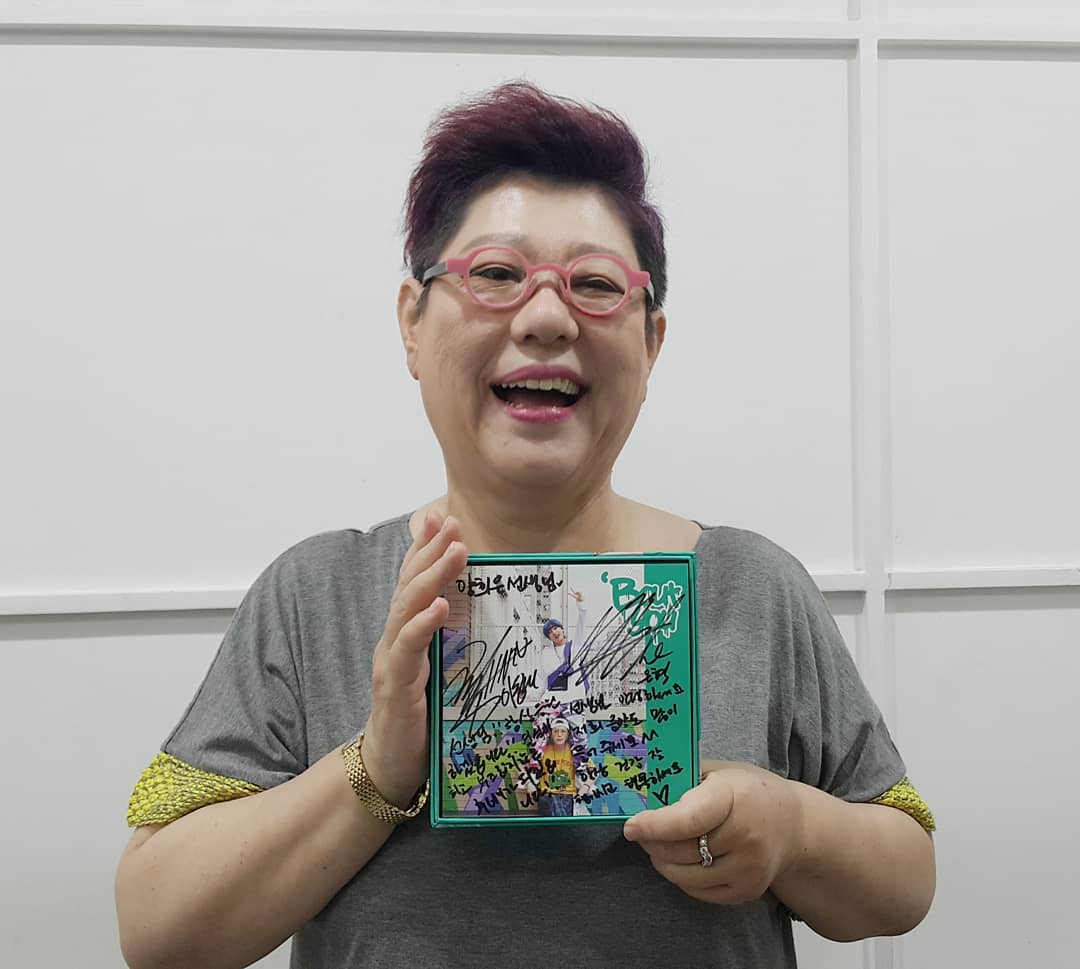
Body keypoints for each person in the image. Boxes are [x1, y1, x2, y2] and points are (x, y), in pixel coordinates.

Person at [115, 81, 936, 969]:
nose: (546, 318)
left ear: (651, 342)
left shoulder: (752, 587)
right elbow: (159, 931)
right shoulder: (317, 595)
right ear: (412, 323)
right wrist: (375, 769)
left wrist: (791, 829)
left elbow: (905, 879)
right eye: (498, 275)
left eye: (596, 285)